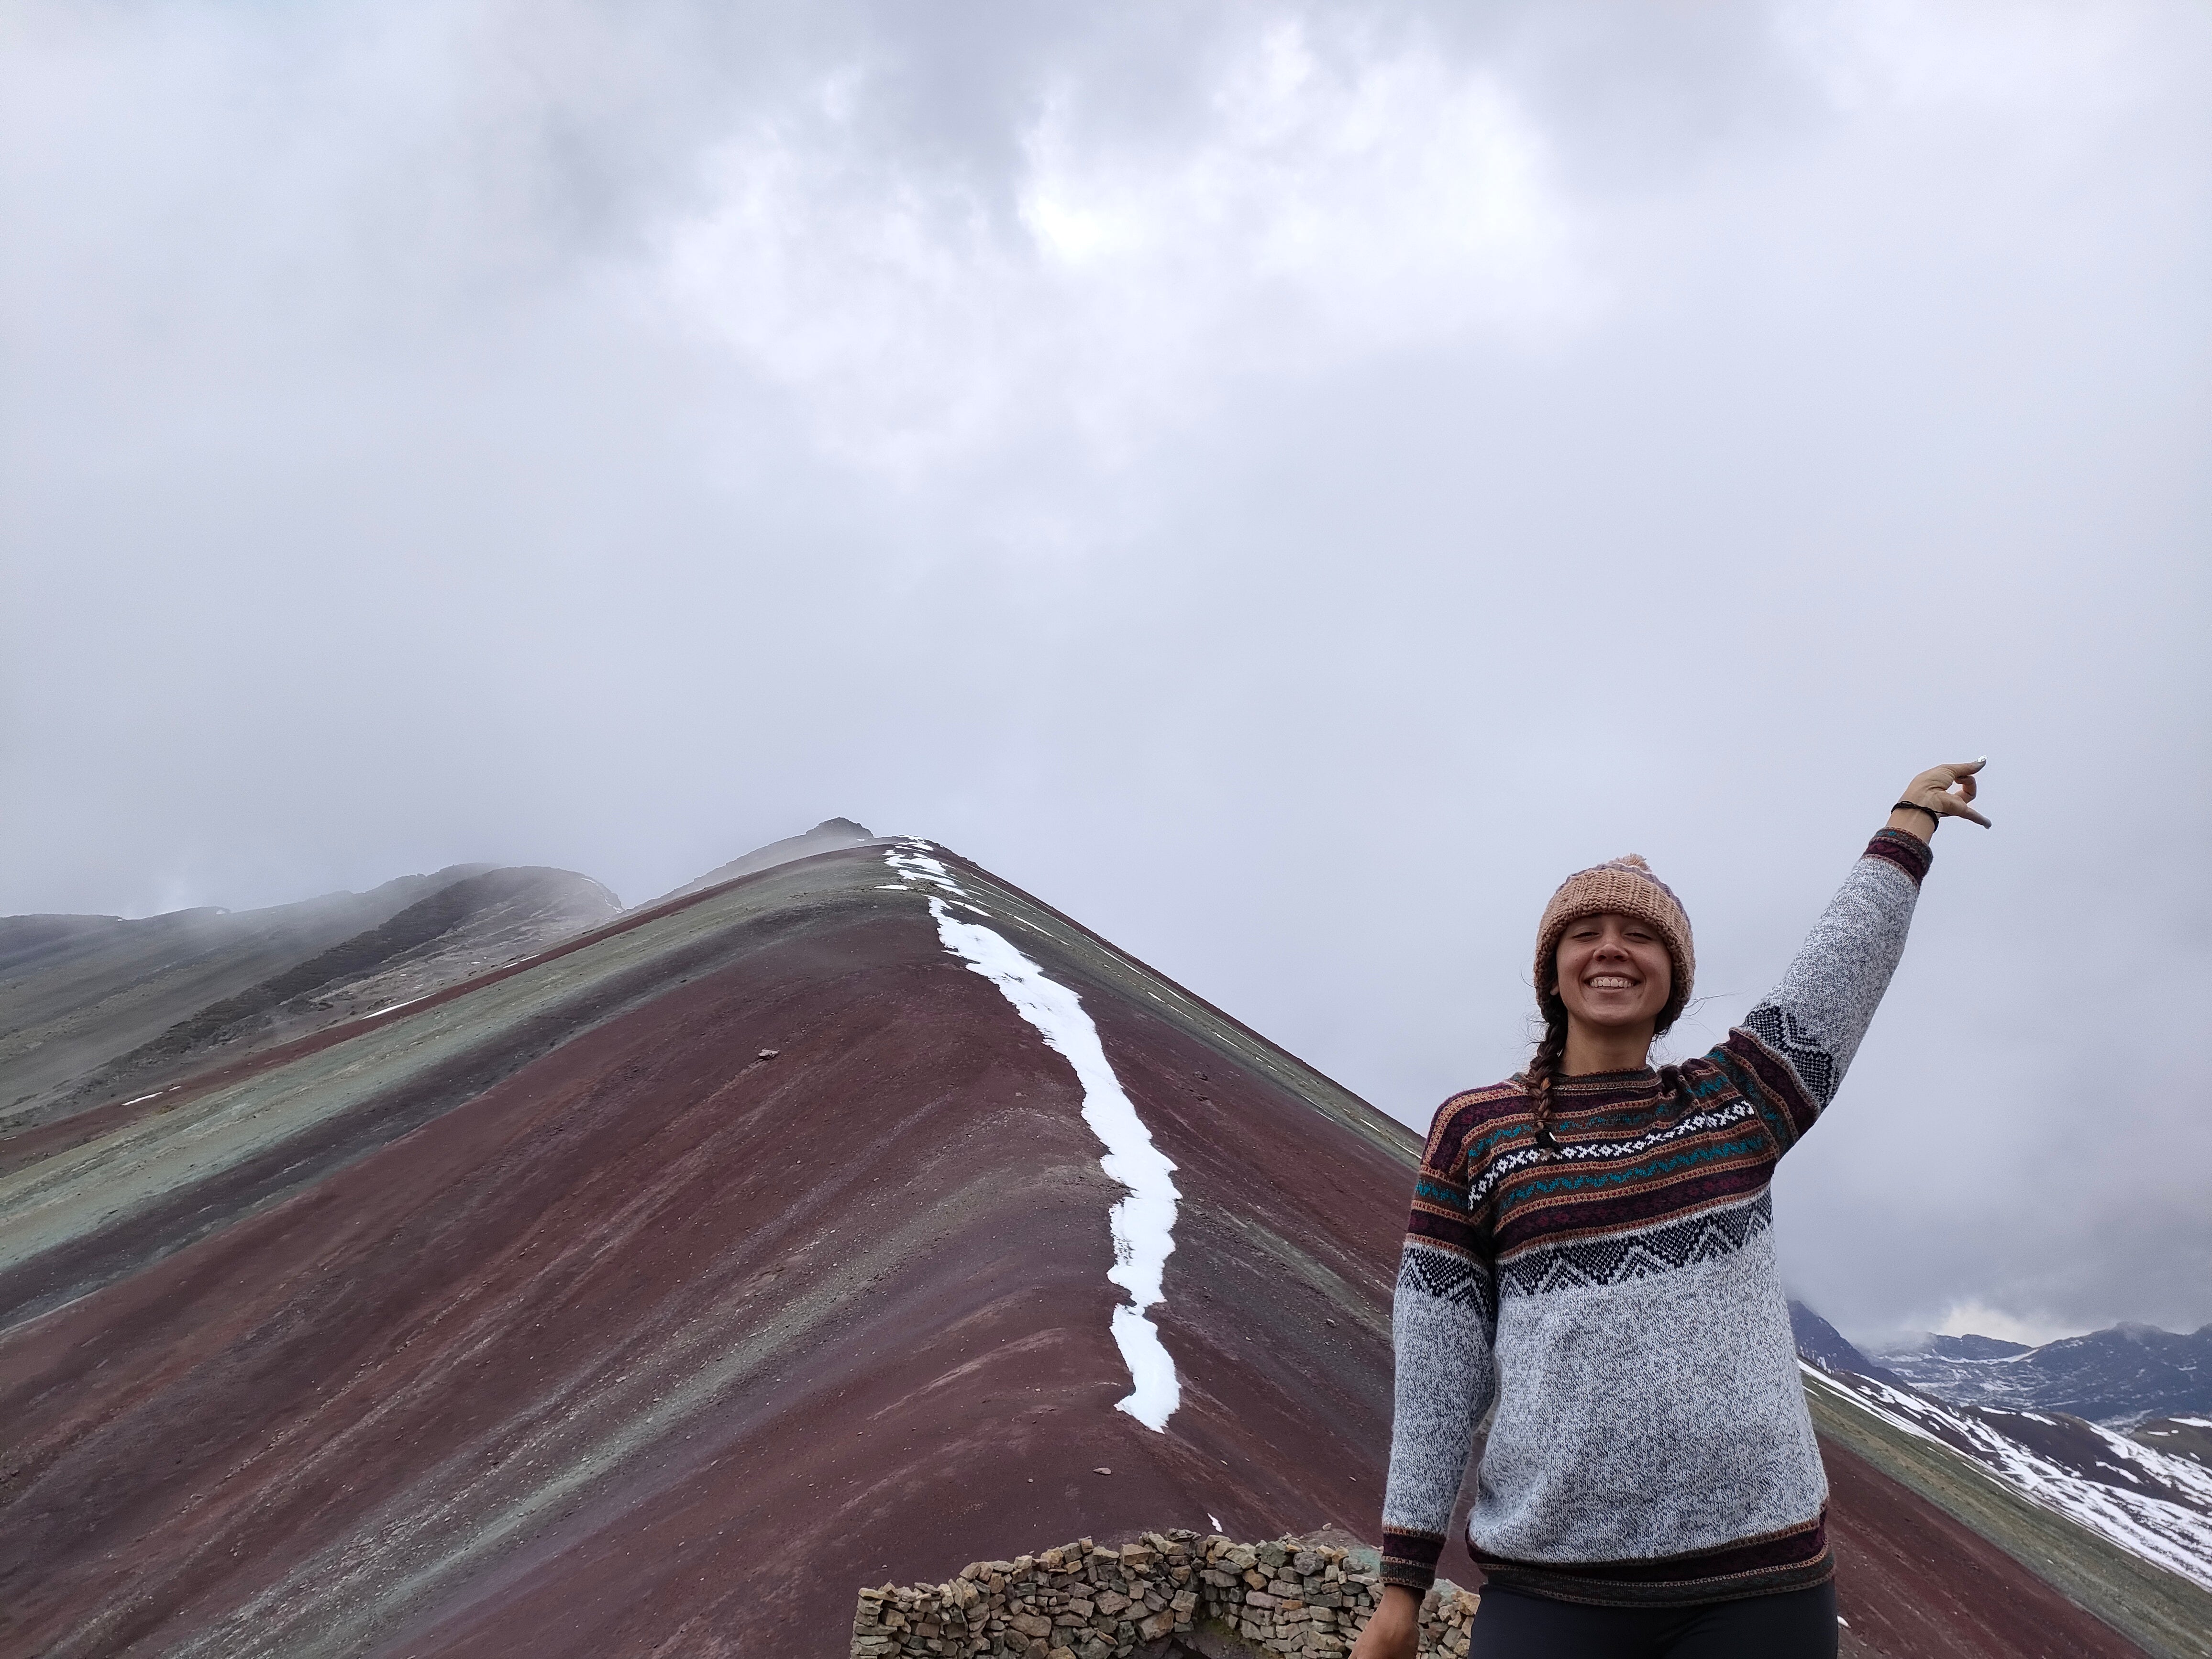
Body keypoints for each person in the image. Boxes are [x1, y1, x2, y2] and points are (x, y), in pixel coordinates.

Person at [1350, 761, 1990, 1659]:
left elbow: (1835, 982)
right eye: (1585, 932)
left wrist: (1908, 826)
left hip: (1762, 1586)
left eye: (1639, 936)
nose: (1612, 948)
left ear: (1674, 979)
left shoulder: (1736, 1105)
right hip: (1553, 1589)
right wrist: (1400, 1586)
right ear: (1552, 972)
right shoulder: (1475, 1133)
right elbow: (1438, 1366)